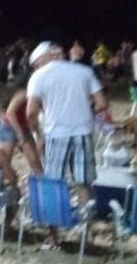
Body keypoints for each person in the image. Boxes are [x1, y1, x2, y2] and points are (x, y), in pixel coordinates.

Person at [26, 41, 107, 249]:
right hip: (83, 132)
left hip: (56, 133)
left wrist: (37, 133)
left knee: (53, 184)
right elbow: (102, 103)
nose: (36, 68)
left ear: (44, 57)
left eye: (36, 64)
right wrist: (86, 113)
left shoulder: (39, 76)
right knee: (83, 184)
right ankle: (84, 235)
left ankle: (53, 237)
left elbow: (31, 111)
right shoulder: (84, 71)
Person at [0, 86, 44, 175]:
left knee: (35, 160)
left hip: (24, 128)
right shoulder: (24, 93)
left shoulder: (42, 97)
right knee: (4, 160)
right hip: (8, 126)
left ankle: (39, 180)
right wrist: (19, 134)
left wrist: (37, 133)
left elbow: (34, 116)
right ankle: (0, 180)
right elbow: (10, 112)